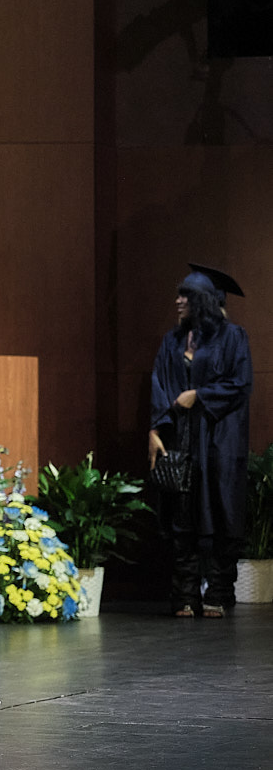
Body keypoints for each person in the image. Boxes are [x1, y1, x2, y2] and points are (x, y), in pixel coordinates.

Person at [148, 263, 252, 618]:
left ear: (203, 301)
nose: (178, 301)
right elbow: (160, 384)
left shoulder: (233, 337)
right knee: (182, 515)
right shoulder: (172, 341)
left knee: (221, 512)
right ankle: (184, 595)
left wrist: (200, 395)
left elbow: (241, 384)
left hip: (219, 440)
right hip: (181, 440)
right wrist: (155, 429)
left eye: (185, 296)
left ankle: (218, 593)